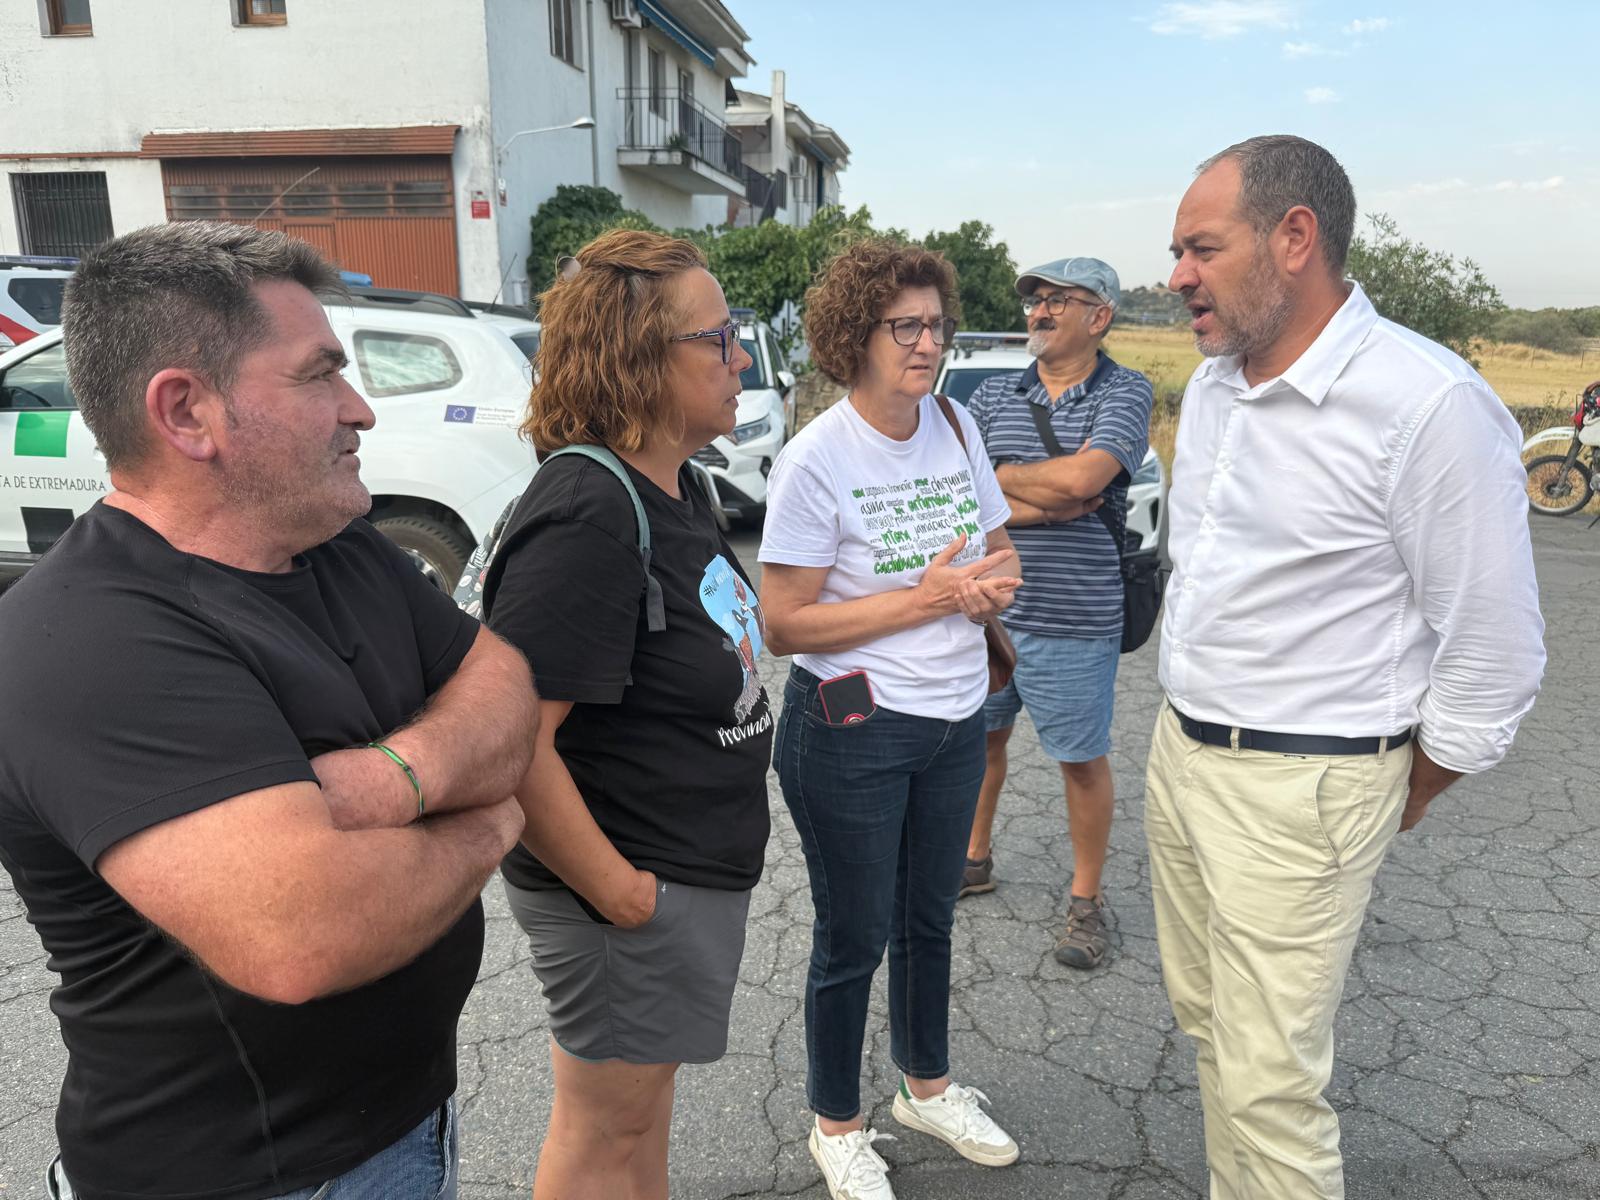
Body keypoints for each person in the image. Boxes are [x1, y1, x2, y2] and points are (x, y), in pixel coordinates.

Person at [0, 222, 539, 1200]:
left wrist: (387, 781)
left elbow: (505, 685)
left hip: (402, 1123)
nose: (361, 409)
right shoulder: (86, 642)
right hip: (243, 1176)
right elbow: (306, 937)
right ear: (187, 412)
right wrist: (490, 818)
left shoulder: (340, 545)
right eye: (319, 375)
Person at [1152, 135, 1545, 1198]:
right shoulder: (1219, 385)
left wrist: (1388, 785)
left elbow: (1496, 650)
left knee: (1269, 1089)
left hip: (1306, 780)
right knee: (1213, 1037)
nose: (1175, 275)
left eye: (1199, 247)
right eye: (1174, 252)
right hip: (1181, 752)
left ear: (1293, 238)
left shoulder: (1424, 404)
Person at [761, 239, 1096, 1200]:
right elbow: (783, 624)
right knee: (851, 935)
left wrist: (985, 591)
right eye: (902, 327)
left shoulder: (952, 424)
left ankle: (927, 1088)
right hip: (854, 726)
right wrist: (929, 597)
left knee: (927, 921)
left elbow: (1004, 559)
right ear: (852, 336)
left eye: (935, 325)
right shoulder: (815, 458)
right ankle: (836, 1124)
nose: (925, 343)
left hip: (956, 717)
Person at [482, 229, 774, 1200]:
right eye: (718, 338)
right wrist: (618, 894)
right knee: (602, 1138)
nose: (739, 359)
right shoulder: (589, 513)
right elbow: (514, 738)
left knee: (637, 1124)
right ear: (637, 360)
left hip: (681, 870)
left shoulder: (677, 484)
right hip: (625, 894)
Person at [961, 256, 1152, 972]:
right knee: (980, 743)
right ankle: (973, 862)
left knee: (1079, 760)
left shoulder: (1125, 390)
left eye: (1057, 301)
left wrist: (1002, 483)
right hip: (989, 607)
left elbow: (1086, 480)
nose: (1038, 312)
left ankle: (1085, 902)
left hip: (1076, 613)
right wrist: (1050, 497)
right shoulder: (989, 396)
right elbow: (964, 492)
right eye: (1035, 301)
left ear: (1099, 316)